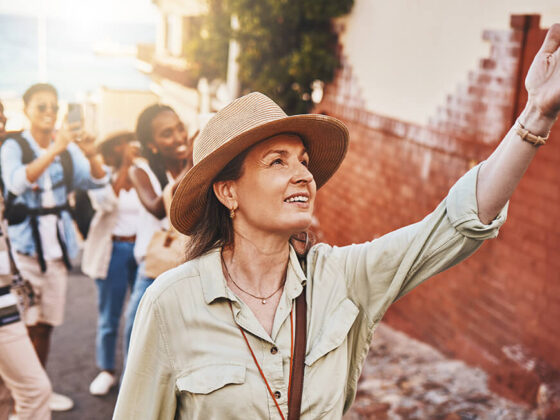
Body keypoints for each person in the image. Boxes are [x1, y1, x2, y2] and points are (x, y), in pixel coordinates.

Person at [114, 25, 560, 419]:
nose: (303, 174)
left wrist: (534, 115)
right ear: (228, 191)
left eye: (304, 161)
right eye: (276, 161)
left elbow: (454, 224)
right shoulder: (170, 304)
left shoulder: (342, 279)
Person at [0, 84, 109, 412]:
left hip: (57, 250)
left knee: (45, 323)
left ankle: (38, 387)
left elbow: (95, 182)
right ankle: (25, 394)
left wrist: (90, 153)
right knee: (22, 325)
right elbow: (16, 183)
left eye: (53, 107)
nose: (48, 113)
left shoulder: (66, 147)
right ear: (27, 109)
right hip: (24, 250)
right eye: (41, 107)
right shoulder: (14, 145)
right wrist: (55, 148)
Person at [122, 104, 194, 361]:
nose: (178, 137)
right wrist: (192, 163)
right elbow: (156, 207)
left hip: (189, 266)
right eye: (167, 134)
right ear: (151, 144)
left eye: (179, 128)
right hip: (154, 269)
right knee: (137, 337)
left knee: (182, 343)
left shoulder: (194, 165)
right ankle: (129, 394)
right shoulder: (140, 171)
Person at [0, 100, 51, 420]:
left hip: (7, 290)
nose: (3, 120)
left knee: (7, 397)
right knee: (35, 391)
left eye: (2, 114)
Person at [81, 131, 141, 396]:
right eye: (120, 143)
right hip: (114, 248)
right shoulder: (101, 173)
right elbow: (107, 204)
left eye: (128, 141)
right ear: (112, 148)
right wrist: (126, 166)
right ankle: (106, 370)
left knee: (139, 314)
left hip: (142, 249)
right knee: (110, 315)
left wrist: (134, 166)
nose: (127, 146)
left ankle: (135, 372)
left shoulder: (144, 171)